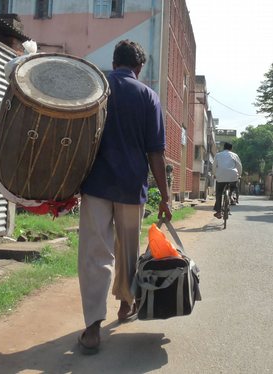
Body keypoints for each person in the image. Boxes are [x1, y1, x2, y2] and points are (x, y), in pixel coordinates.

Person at [77, 40, 172, 354]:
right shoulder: (148, 96)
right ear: (139, 67)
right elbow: (155, 152)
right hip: (131, 186)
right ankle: (125, 304)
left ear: (114, 61)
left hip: (95, 183)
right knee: (127, 250)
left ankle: (92, 326)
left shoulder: (96, 86)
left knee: (95, 252)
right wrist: (166, 196)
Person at [212, 142, 242, 218]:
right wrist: (239, 175)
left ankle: (218, 212)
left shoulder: (218, 155)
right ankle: (231, 196)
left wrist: (215, 174)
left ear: (223, 148)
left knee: (219, 194)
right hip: (233, 177)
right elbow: (239, 166)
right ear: (231, 149)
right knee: (233, 187)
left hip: (220, 177)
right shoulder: (235, 155)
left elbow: (214, 166)